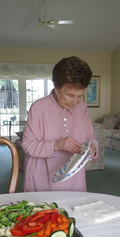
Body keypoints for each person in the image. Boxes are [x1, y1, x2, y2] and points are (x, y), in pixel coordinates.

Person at [22, 56, 98, 192]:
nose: (75, 102)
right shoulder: (38, 108)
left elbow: (90, 137)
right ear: (56, 88)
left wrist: (92, 147)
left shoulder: (82, 108)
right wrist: (56, 145)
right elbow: (28, 145)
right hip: (42, 180)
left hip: (75, 180)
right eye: (70, 95)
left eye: (79, 96)